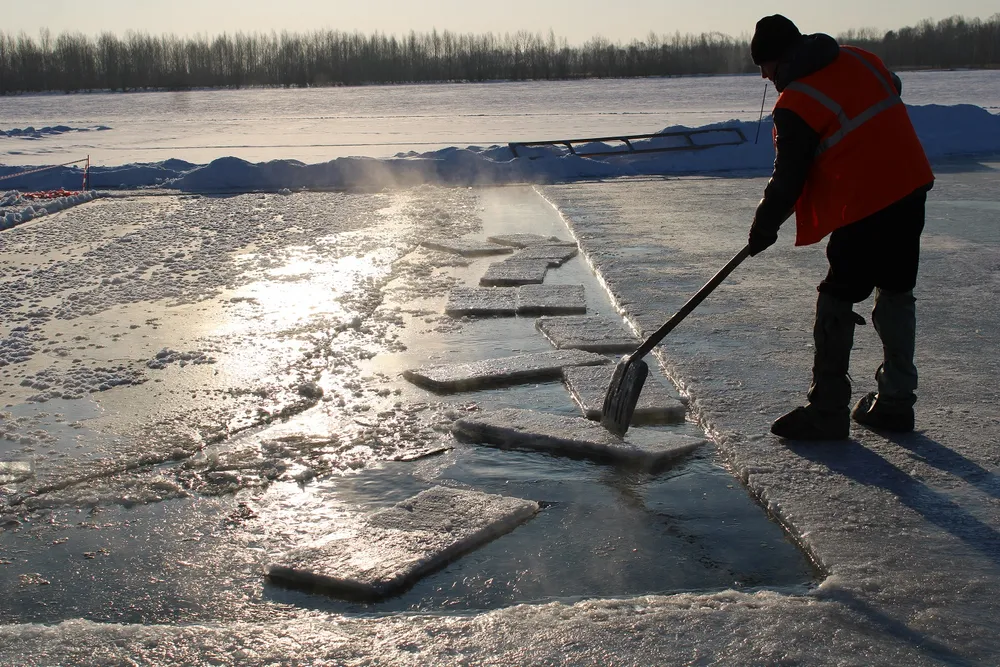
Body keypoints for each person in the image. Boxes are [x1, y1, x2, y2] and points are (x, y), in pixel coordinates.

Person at [747, 15, 934, 440]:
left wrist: (763, 227)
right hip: (910, 184)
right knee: (896, 289)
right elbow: (893, 88)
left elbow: (788, 180)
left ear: (779, 59)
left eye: (765, 66)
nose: (764, 76)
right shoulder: (859, 58)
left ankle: (827, 409)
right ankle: (896, 403)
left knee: (837, 294)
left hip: (866, 201)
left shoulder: (797, 102)